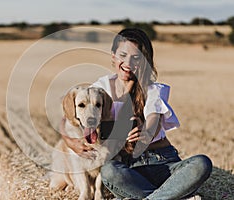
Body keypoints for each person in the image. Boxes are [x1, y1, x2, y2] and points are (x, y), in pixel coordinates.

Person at [61, 28, 212, 199]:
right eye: (123, 55)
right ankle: (171, 195)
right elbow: (68, 116)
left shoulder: (154, 89)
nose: (128, 63)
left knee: (202, 163)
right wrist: (70, 142)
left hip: (164, 163)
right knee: (109, 170)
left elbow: (153, 119)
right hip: (129, 169)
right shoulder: (101, 88)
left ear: (144, 60)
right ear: (113, 55)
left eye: (136, 57)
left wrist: (145, 131)